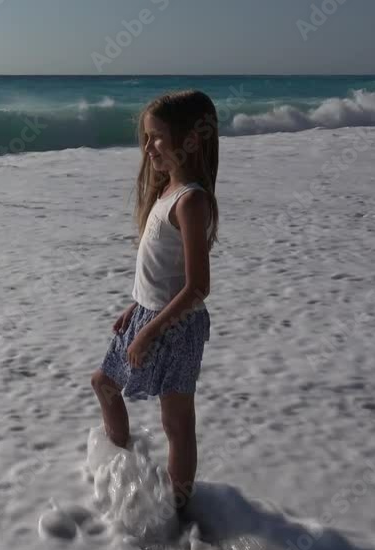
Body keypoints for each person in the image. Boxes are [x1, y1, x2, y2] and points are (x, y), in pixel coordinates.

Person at [91, 90, 220, 512]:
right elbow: (165, 274)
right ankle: (120, 470)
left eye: (157, 137)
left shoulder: (190, 200)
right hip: (149, 314)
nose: (148, 148)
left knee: (177, 422)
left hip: (174, 325)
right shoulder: (167, 191)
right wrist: (136, 309)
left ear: (190, 140)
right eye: (146, 138)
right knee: (104, 384)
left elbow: (197, 287)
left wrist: (148, 331)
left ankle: (179, 511)